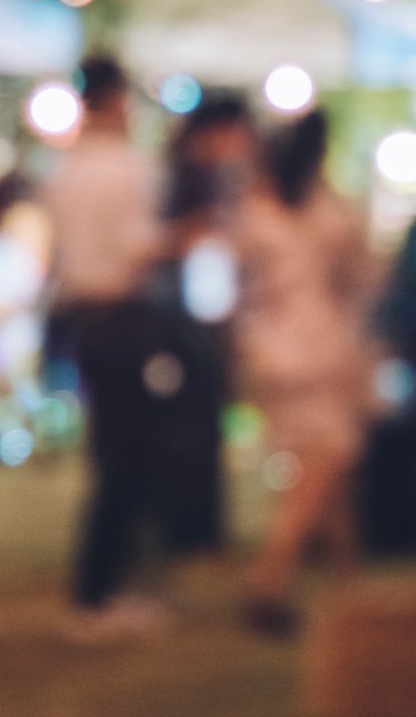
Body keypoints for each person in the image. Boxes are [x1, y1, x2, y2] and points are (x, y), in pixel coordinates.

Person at [41, 56, 171, 640]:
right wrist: (185, 238)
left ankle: (106, 586)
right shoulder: (127, 169)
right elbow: (138, 247)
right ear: (117, 100)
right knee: (126, 458)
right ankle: (100, 591)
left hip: (81, 318)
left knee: (109, 451)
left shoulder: (63, 170)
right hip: (121, 316)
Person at [233, 111, 376, 633]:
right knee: (324, 468)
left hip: (272, 354)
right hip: (320, 351)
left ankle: (350, 589)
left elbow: (239, 290)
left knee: (325, 474)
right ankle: (270, 581)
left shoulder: (255, 214)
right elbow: (362, 276)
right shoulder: (328, 214)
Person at [155, 94, 256, 556]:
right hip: (179, 312)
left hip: (211, 307)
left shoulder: (231, 179)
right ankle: (187, 526)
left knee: (207, 421)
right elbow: (158, 240)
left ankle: (202, 525)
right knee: (187, 423)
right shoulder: (178, 176)